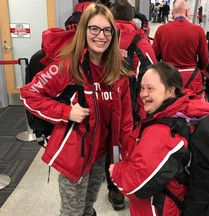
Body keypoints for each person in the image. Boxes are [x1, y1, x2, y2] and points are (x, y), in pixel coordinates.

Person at [20, 3, 133, 216]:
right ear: (84, 30)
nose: (101, 36)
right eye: (94, 29)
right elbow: (29, 94)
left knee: (88, 208)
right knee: (72, 212)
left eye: (107, 30)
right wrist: (66, 112)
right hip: (76, 156)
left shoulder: (118, 72)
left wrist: (125, 156)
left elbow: (125, 120)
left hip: (101, 155)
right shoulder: (67, 66)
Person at [109, 62, 209, 216]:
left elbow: (136, 184)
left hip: (161, 208)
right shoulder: (188, 110)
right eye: (142, 88)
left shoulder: (163, 132)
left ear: (170, 90)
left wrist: (115, 171)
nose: (143, 94)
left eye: (150, 89)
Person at [104, 0, 156, 211]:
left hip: (101, 100)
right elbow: (153, 67)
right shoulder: (137, 37)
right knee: (129, 142)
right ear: (131, 17)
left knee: (107, 141)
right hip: (131, 103)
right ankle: (127, 186)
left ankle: (112, 188)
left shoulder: (101, 34)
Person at [152, 0, 209, 100]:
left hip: (169, 77)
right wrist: (197, 68)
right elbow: (205, 60)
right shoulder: (198, 31)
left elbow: (154, 56)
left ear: (173, 13)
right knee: (193, 109)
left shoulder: (162, 30)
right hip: (192, 78)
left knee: (169, 108)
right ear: (187, 12)